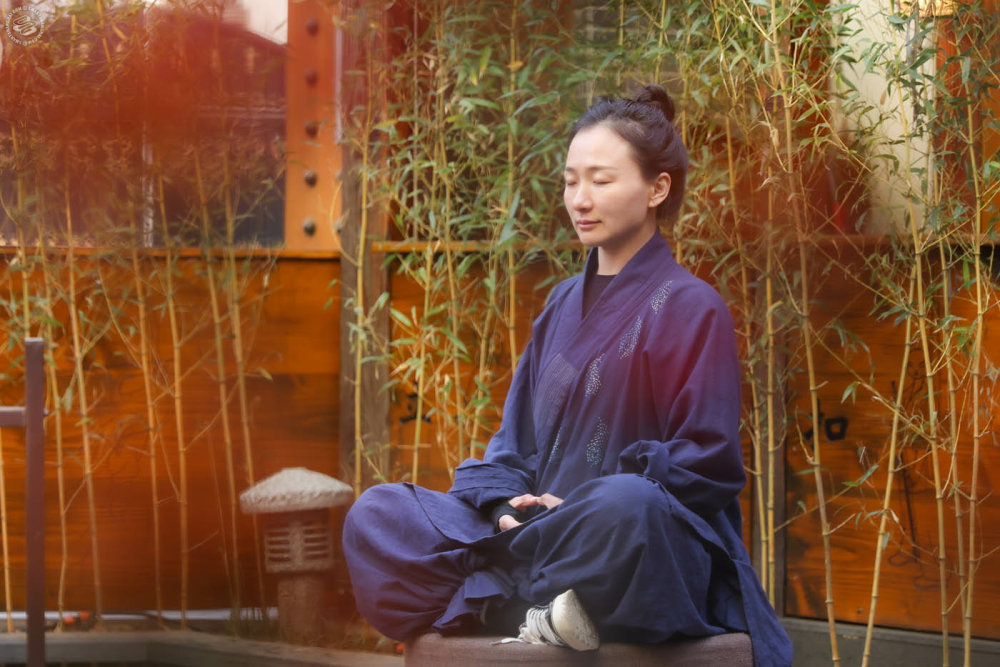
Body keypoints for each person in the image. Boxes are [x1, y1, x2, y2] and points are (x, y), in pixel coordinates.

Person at [343, 84, 793, 665]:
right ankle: (547, 607)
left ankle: (509, 598)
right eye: (570, 181)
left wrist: (578, 505)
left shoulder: (693, 307)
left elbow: (706, 466)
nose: (580, 199)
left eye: (600, 181)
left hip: (624, 541)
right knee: (378, 513)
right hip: (533, 535)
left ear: (657, 189)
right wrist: (504, 504)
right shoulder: (559, 304)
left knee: (630, 505)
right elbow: (511, 443)